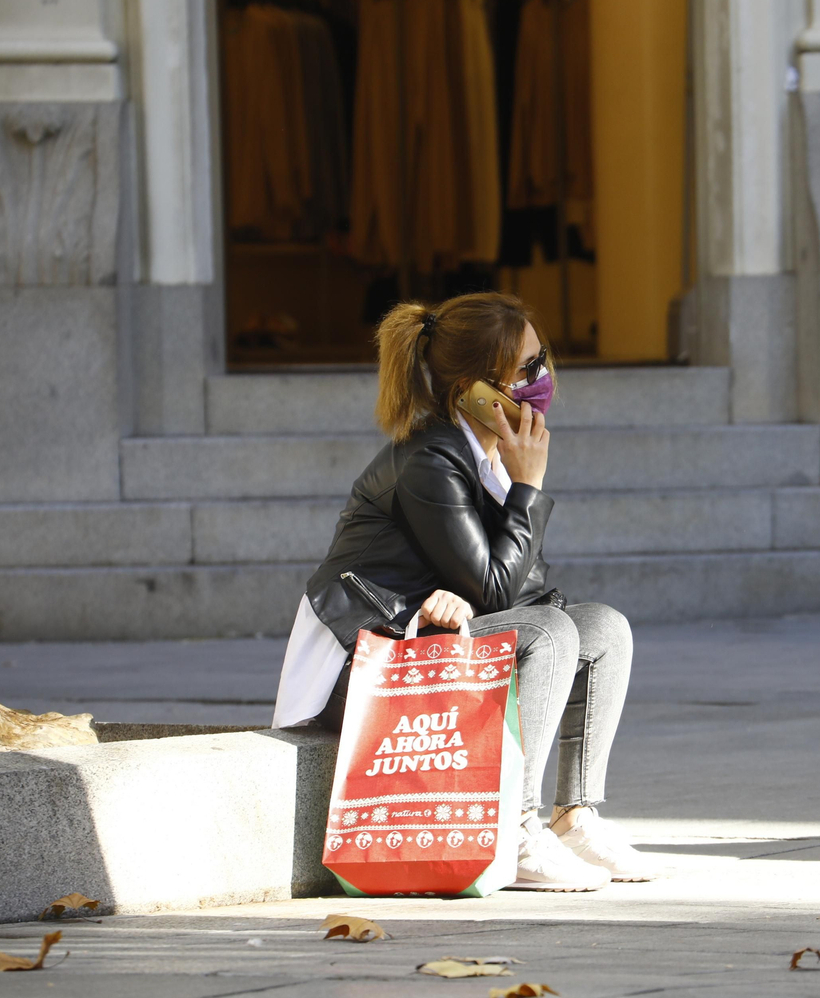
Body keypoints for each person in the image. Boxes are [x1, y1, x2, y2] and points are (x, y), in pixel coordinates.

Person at [271, 292, 654, 891]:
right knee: (552, 633)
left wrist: (509, 502)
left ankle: (575, 815)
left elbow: (517, 588)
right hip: (365, 659)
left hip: (422, 633)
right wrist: (529, 490)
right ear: (473, 390)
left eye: (541, 359)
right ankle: (516, 825)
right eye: (524, 370)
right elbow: (502, 591)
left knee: (603, 627)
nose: (541, 379)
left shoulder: (489, 457)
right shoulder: (430, 458)